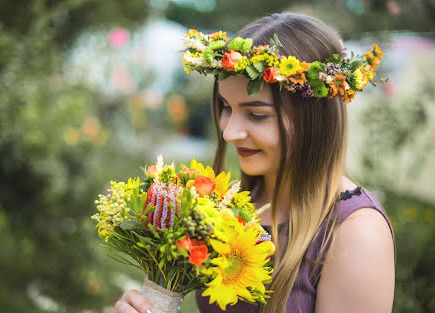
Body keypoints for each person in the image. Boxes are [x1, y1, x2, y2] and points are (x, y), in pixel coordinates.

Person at [115, 12, 396, 313]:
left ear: (314, 119)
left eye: (257, 115)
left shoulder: (356, 234)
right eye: (225, 107)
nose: (229, 131)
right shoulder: (231, 203)